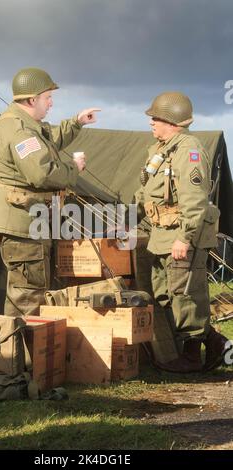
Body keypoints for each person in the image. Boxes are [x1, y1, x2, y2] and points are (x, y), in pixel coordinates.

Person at [0, 67, 100, 317]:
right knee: (28, 297)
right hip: (24, 226)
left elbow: (49, 140)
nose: (51, 103)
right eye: (47, 97)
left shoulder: (26, 125)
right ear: (31, 99)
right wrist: (73, 169)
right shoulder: (20, 131)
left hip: (27, 224)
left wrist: (77, 122)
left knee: (30, 293)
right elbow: (42, 173)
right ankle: (20, 356)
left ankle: (23, 354)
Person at [135, 91, 229, 372]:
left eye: (156, 118)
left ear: (173, 122)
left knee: (185, 296)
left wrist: (184, 238)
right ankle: (215, 343)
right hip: (160, 236)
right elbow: (148, 195)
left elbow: (194, 201)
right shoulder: (160, 151)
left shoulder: (189, 151)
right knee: (165, 294)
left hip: (180, 236)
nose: (151, 122)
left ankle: (191, 356)